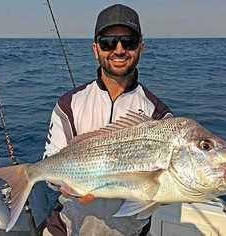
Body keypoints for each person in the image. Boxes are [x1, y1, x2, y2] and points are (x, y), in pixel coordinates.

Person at [42, 4, 172, 236]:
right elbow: (51, 164)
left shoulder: (159, 115)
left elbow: (165, 187)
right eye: (108, 42)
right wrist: (69, 187)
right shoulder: (68, 104)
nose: (119, 50)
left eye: (128, 41)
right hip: (68, 229)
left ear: (141, 46)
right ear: (95, 49)